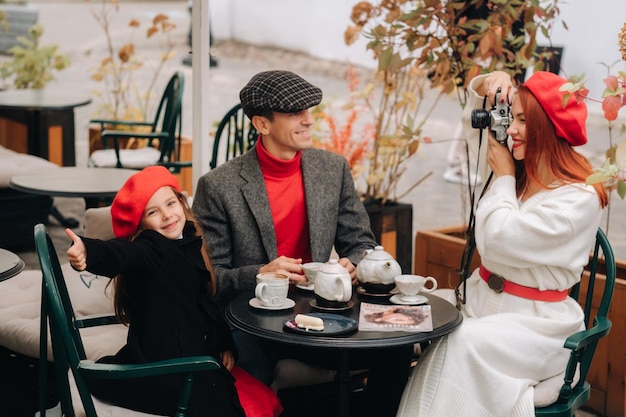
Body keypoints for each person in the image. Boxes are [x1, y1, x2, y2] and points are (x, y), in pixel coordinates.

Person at [192, 70, 413, 417]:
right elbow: (210, 278)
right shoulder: (218, 186)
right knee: (251, 364)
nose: (309, 120)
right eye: (296, 113)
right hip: (254, 322)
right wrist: (262, 273)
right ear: (262, 124)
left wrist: (352, 264)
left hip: (321, 316)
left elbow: (361, 243)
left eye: (309, 110)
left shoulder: (331, 169)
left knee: (398, 350)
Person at [396, 70, 609, 417]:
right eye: (513, 117)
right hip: (483, 300)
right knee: (401, 317)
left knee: (461, 341)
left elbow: (496, 240)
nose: (511, 130)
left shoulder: (577, 198)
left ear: (548, 127)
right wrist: (491, 80)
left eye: (524, 121)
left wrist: (505, 176)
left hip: (535, 325)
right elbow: (475, 119)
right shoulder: (522, 169)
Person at [65, 166, 282, 417]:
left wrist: (224, 344)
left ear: (181, 202)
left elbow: (204, 304)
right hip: (167, 368)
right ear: (142, 225)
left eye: (170, 203)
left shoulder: (189, 242)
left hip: (193, 356)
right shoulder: (152, 248)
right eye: (153, 212)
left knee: (254, 393)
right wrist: (88, 252)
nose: (167, 215)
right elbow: (122, 253)